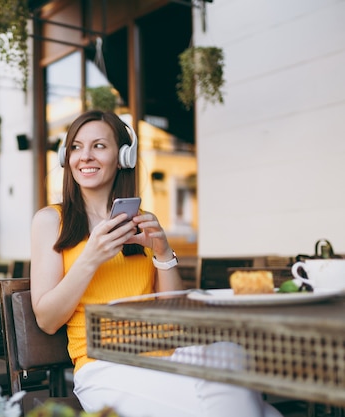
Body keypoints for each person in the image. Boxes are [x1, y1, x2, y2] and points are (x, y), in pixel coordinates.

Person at [30, 110, 283, 417]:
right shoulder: (51, 221)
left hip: (168, 355)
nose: (85, 156)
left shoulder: (140, 222)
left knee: (229, 353)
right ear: (65, 158)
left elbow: (175, 316)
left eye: (99, 146)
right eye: (76, 147)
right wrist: (91, 257)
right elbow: (47, 319)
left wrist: (163, 252)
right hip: (105, 365)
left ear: (124, 156)